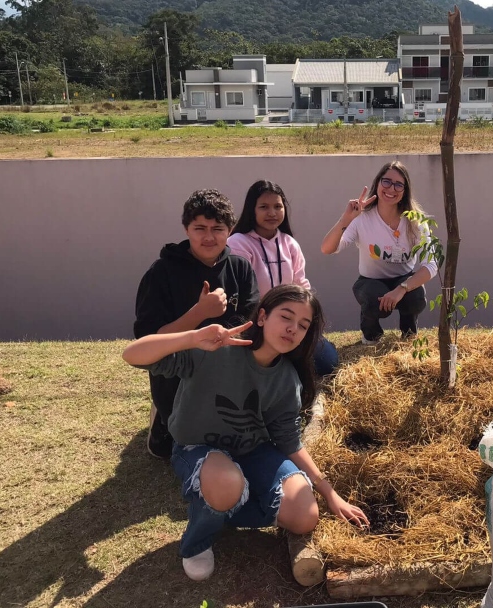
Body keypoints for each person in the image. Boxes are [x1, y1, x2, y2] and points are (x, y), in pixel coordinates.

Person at [122, 285, 370, 581]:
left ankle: (218, 504)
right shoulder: (214, 351)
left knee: (305, 516)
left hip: (252, 451)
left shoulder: (287, 380)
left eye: (303, 326)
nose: (293, 329)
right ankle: (198, 539)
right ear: (262, 317)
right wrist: (192, 337)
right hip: (197, 448)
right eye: (286, 317)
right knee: (227, 482)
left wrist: (330, 494)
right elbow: (132, 355)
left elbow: (289, 442)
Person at [134, 189, 259, 459]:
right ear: (186, 228)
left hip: (227, 369)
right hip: (177, 371)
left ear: (231, 229)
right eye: (199, 228)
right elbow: (146, 343)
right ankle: (163, 420)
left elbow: (252, 325)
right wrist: (199, 313)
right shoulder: (161, 273)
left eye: (218, 228)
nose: (209, 237)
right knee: (170, 449)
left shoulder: (240, 268)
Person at [227, 180, 339, 376]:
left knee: (327, 362)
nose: (272, 213)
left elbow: (302, 285)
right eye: (264, 207)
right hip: (255, 324)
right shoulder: (238, 243)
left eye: (277, 207)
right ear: (251, 210)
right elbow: (240, 295)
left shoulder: (289, 243)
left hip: (290, 322)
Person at [320, 160, 438, 344]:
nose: (391, 188)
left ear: (405, 191)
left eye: (399, 184)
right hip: (370, 281)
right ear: (378, 183)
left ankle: (409, 334)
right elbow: (328, 249)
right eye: (387, 181)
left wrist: (401, 289)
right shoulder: (362, 218)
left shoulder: (415, 221)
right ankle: (371, 335)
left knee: (416, 296)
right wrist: (346, 219)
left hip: (403, 279)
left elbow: (431, 264)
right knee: (373, 299)